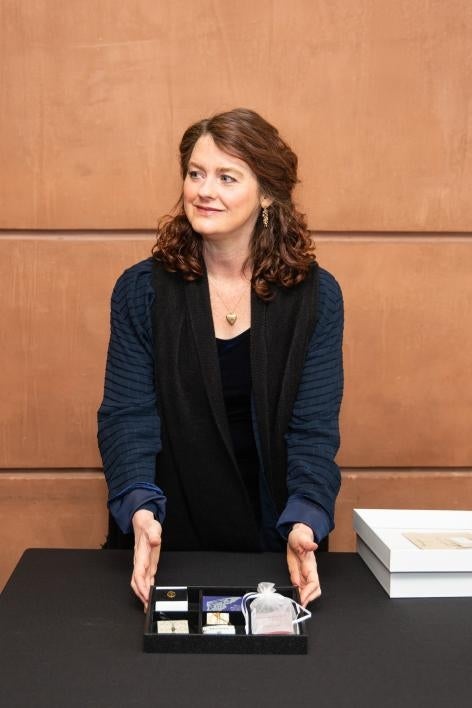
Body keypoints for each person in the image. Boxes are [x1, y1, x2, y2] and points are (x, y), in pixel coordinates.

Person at [98, 107, 343, 610]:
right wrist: (141, 512)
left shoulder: (316, 297)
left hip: (276, 544)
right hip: (168, 539)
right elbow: (127, 417)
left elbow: (313, 430)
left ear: (268, 194)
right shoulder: (140, 291)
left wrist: (305, 520)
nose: (203, 190)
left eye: (226, 177)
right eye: (195, 173)